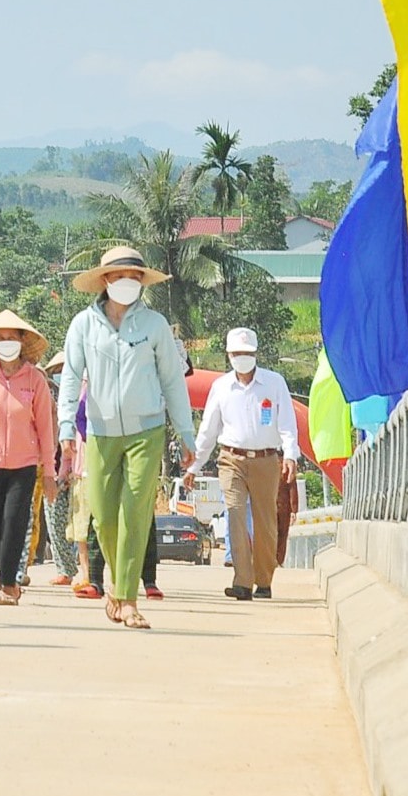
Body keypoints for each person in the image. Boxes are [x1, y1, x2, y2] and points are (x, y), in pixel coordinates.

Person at [59, 246, 195, 630]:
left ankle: (128, 599)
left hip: (146, 430)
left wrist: (186, 433)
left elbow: (172, 380)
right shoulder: (83, 326)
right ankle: (118, 587)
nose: (128, 284)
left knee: (135, 514)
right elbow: (70, 378)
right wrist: (66, 427)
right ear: (105, 281)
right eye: (120, 277)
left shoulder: (153, 325)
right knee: (102, 517)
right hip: (100, 432)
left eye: (135, 278)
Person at [184, 327, 301, 601]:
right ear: (229, 355)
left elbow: (287, 424)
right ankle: (242, 581)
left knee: (265, 522)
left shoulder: (274, 383)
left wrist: (291, 456)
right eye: (237, 353)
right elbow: (208, 430)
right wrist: (194, 466)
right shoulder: (221, 387)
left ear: (256, 354)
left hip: (266, 460)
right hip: (231, 459)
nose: (242, 358)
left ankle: (264, 581)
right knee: (234, 515)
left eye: (247, 353)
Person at [0, 310, 58, 605]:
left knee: (15, 523)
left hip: (24, 466)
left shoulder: (35, 380)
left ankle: (9, 584)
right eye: (2, 338)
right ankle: (6, 569)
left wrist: (49, 472)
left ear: (22, 342)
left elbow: (45, 427)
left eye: (13, 338)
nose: (7, 342)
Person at [39, 353, 79, 586]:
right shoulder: (50, 398)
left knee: (83, 523)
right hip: (55, 467)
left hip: (81, 467)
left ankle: (86, 567)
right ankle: (65, 568)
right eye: (60, 369)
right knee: (54, 518)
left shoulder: (87, 394)